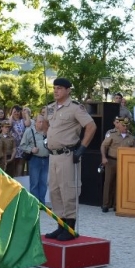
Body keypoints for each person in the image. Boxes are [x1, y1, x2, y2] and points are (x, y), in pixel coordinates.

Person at [45, 77, 97, 240]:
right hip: (53, 156)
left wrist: (82, 148)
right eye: (54, 88)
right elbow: (47, 126)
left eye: (59, 88)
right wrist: (47, 138)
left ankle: (70, 228)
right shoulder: (51, 108)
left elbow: (91, 126)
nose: (56, 91)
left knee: (68, 190)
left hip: (68, 155)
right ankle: (60, 226)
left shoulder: (75, 108)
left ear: (68, 90)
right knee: (54, 191)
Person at [100, 117, 135, 213]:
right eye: (123, 125)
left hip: (125, 163)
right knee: (108, 183)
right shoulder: (112, 135)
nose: (125, 127)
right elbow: (103, 146)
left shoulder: (131, 137)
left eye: (127, 126)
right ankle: (105, 205)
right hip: (111, 161)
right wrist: (104, 157)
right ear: (119, 125)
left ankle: (117, 205)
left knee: (120, 184)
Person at [20, 115, 50, 204]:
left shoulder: (47, 131)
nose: (41, 124)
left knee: (43, 183)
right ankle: (34, 204)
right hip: (34, 159)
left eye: (43, 122)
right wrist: (31, 150)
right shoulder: (29, 131)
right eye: (39, 122)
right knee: (34, 183)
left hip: (46, 159)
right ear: (35, 122)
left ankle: (42, 203)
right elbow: (22, 145)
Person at [9, 105, 32, 177]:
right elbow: (9, 125)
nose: (16, 113)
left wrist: (26, 114)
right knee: (13, 164)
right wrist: (11, 116)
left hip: (21, 146)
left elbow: (28, 124)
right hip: (13, 147)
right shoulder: (10, 121)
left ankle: (19, 179)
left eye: (18, 111)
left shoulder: (22, 121)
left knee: (20, 164)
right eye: (14, 112)